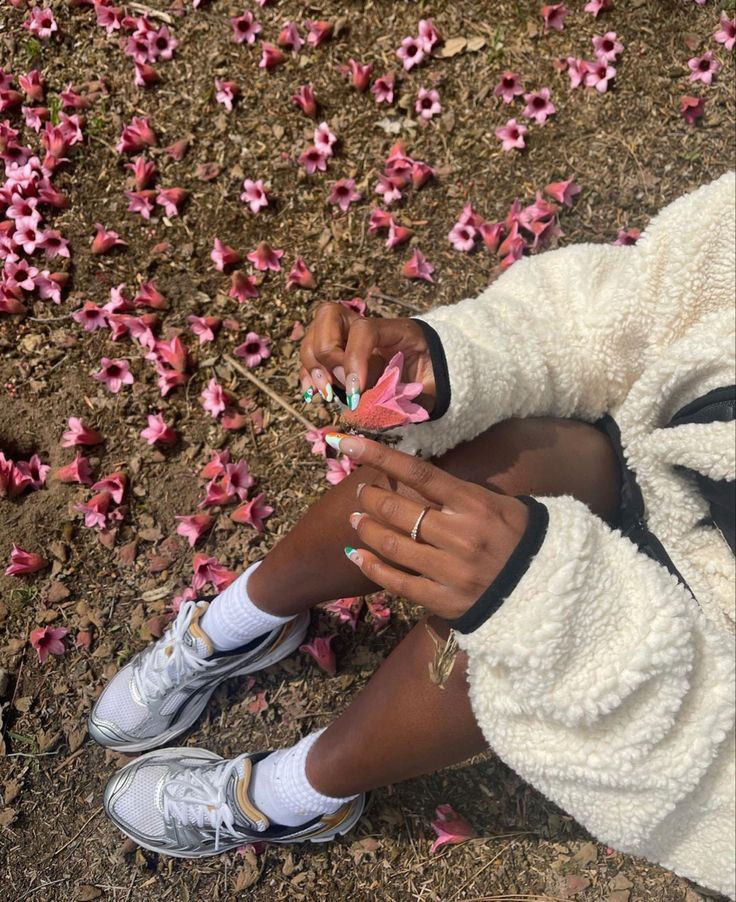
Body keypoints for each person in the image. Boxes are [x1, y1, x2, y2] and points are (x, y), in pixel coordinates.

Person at [89, 173, 735, 897]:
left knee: (508, 641)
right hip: (651, 468)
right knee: (483, 470)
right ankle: (239, 622)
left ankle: (290, 798)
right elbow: (632, 305)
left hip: (701, 649)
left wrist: (563, 616)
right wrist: (451, 358)